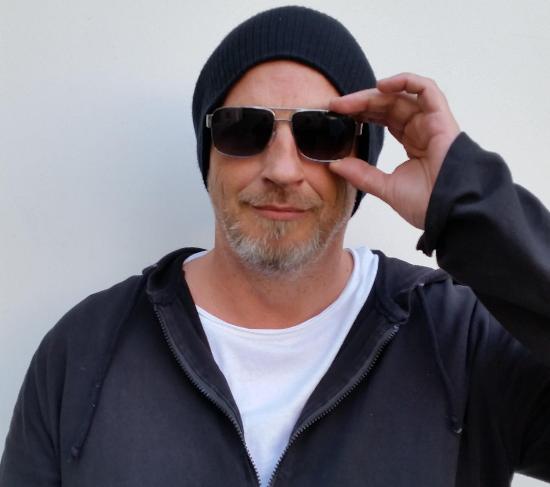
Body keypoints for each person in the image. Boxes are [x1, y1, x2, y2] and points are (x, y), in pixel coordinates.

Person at [1, 5, 549, 487]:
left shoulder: (463, 341)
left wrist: (465, 201)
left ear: (361, 157)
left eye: (322, 133)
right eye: (243, 129)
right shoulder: (85, 351)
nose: (283, 169)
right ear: (208, 153)